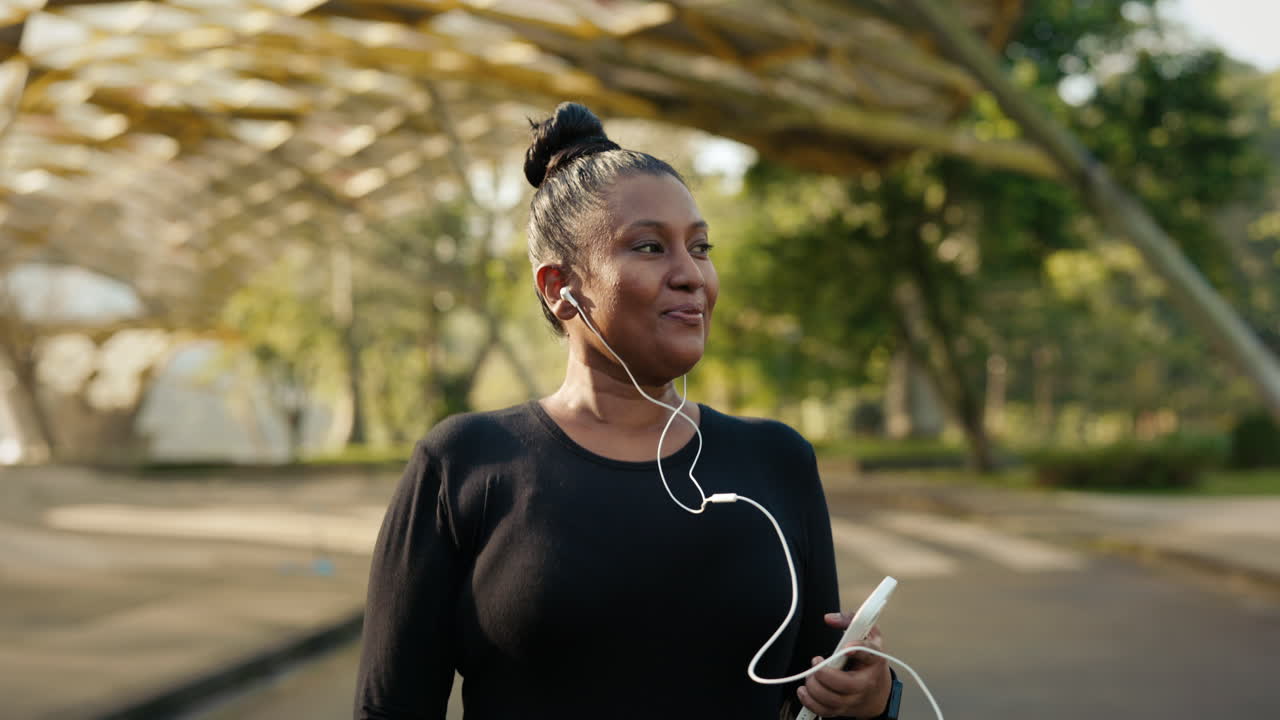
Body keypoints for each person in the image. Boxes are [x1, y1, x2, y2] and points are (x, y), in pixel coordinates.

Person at [354, 102, 898, 720]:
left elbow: (818, 694)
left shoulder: (778, 461)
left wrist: (871, 699)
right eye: (649, 247)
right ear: (559, 289)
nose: (692, 275)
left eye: (700, 247)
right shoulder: (464, 464)